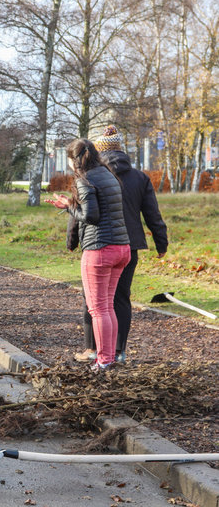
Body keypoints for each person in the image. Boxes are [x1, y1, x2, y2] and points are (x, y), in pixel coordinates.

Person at [71, 126, 169, 364]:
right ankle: (119, 351)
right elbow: (152, 214)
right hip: (128, 245)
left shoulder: (91, 174)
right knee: (120, 299)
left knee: (93, 301)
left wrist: (72, 240)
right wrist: (161, 242)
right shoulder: (139, 177)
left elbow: (80, 211)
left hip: (98, 244)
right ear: (121, 148)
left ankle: (93, 349)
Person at [47, 138, 130, 370]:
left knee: (98, 308)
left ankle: (103, 361)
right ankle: (110, 358)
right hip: (121, 247)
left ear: (75, 160)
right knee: (108, 306)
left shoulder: (85, 180)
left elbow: (91, 216)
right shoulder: (107, 174)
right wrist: (72, 203)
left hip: (100, 249)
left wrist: (68, 206)